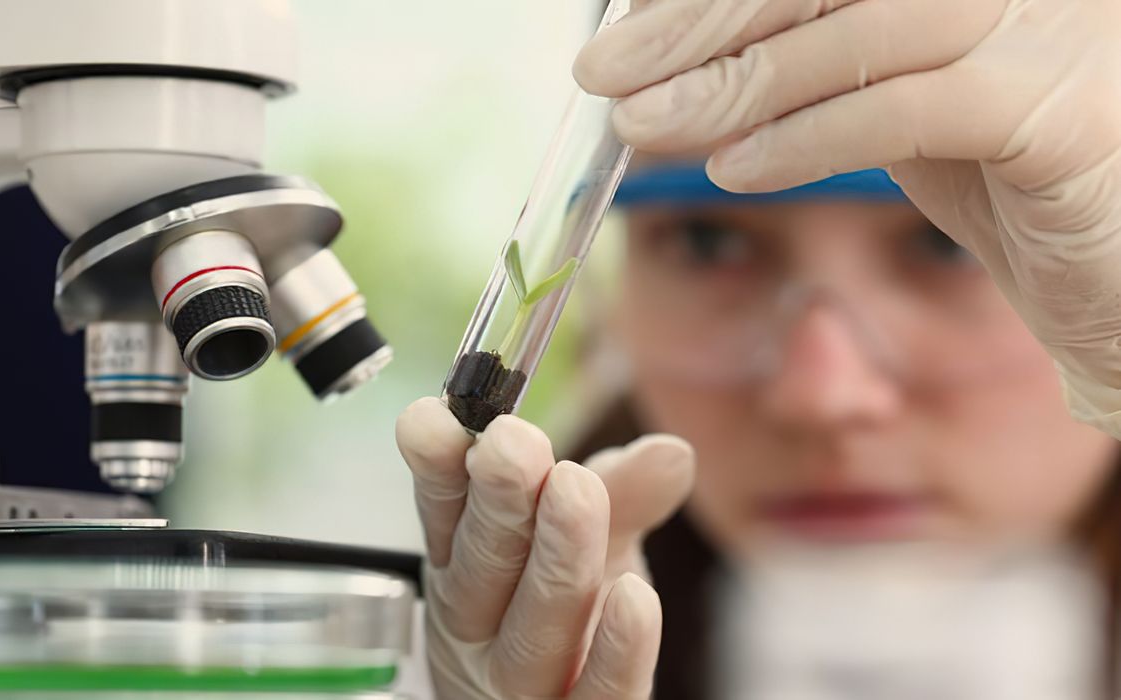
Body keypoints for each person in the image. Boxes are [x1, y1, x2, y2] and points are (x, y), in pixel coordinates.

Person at [396, 1, 1121, 697]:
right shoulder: (432, 659)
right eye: (707, 243)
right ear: (605, 306)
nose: (822, 397)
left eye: (946, 243)